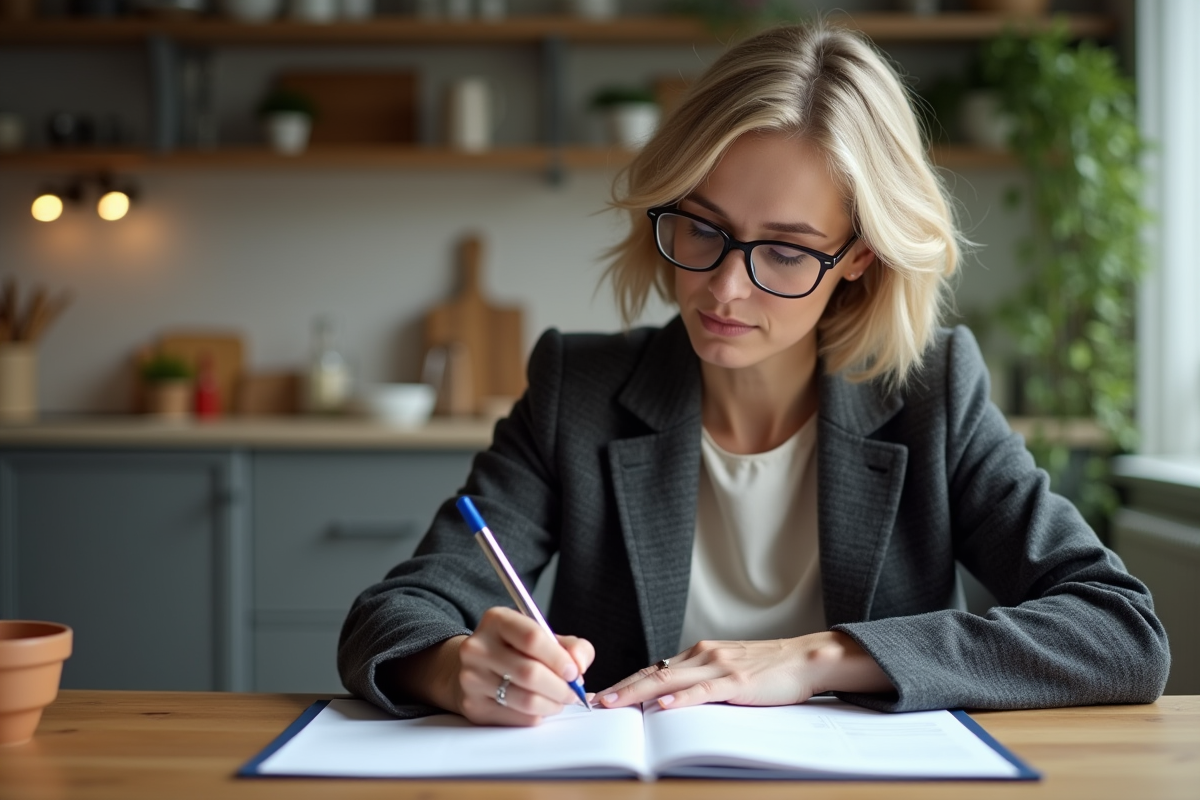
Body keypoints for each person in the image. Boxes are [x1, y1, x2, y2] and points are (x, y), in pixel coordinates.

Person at [338, 23, 1169, 726]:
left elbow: (1120, 631)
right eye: (701, 228)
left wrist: (820, 657)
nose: (724, 288)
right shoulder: (577, 390)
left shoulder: (933, 395)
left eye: (785, 250)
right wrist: (455, 668)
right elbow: (393, 614)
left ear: (859, 258)